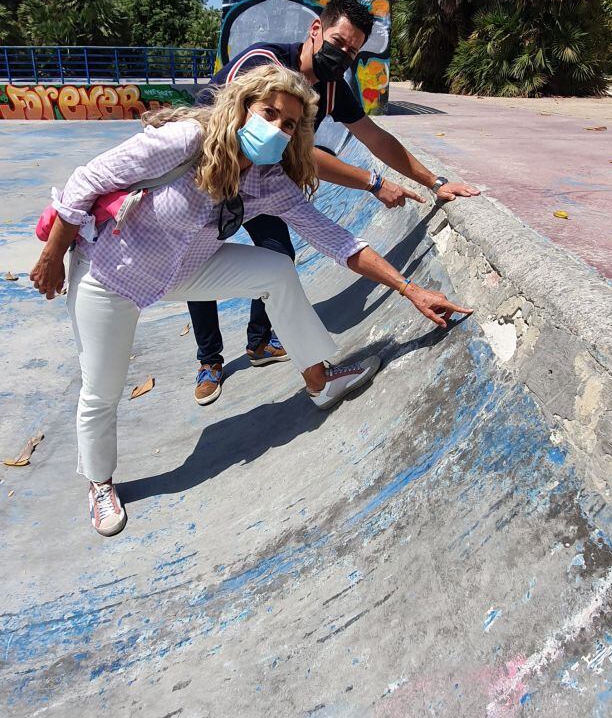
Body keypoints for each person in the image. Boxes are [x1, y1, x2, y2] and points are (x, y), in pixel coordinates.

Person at [29, 65, 472, 536]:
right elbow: (86, 181)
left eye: (289, 124)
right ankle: (99, 483)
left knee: (276, 269)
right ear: (242, 109)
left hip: (183, 271)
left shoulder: (269, 181)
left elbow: (335, 239)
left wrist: (409, 289)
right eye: (269, 114)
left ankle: (320, 382)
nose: (277, 128)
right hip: (110, 273)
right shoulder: (186, 142)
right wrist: (53, 255)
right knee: (102, 390)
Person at [189, 0, 479, 406]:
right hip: (208, 172)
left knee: (279, 255)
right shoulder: (262, 63)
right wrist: (372, 182)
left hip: (261, 182)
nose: (343, 55)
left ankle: (260, 342)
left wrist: (435, 182)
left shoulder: (329, 87)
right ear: (315, 31)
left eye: (353, 51)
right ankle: (209, 360)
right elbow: (295, 151)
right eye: (338, 42)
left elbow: (374, 137)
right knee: (196, 253)